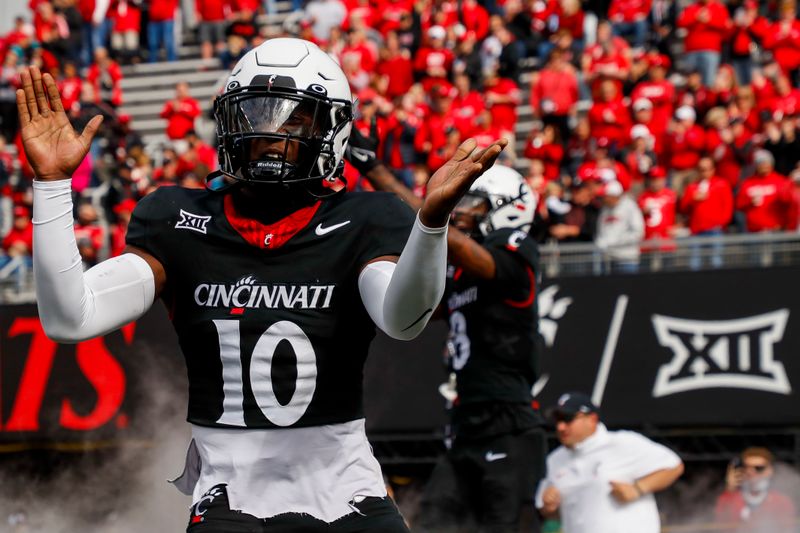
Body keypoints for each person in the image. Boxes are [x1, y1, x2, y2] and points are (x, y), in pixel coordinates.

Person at [17, 38, 508, 531]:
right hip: (232, 499)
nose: (271, 132)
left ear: (331, 130)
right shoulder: (178, 219)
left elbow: (403, 321)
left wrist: (432, 224)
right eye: (257, 114)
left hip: (345, 492)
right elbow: (69, 317)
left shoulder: (364, 218)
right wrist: (53, 185)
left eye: (294, 119)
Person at [345, 122, 545, 532]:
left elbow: (439, 227)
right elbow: (411, 303)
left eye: (477, 205)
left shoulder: (514, 257)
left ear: (509, 207)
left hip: (508, 425)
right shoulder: (462, 276)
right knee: (434, 522)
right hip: (465, 426)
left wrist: (379, 173)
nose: (466, 212)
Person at [536, 393, 684, 533]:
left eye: (568, 419)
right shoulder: (555, 460)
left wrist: (638, 489)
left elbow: (673, 465)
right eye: (557, 421)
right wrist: (550, 507)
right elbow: (551, 512)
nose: (560, 427)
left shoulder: (622, 442)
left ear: (592, 419)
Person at [715, 447, 796, 531]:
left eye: (759, 468)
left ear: (770, 470)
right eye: (746, 467)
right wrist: (730, 491)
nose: (751, 473)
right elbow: (722, 525)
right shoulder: (730, 499)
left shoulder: (781, 501)